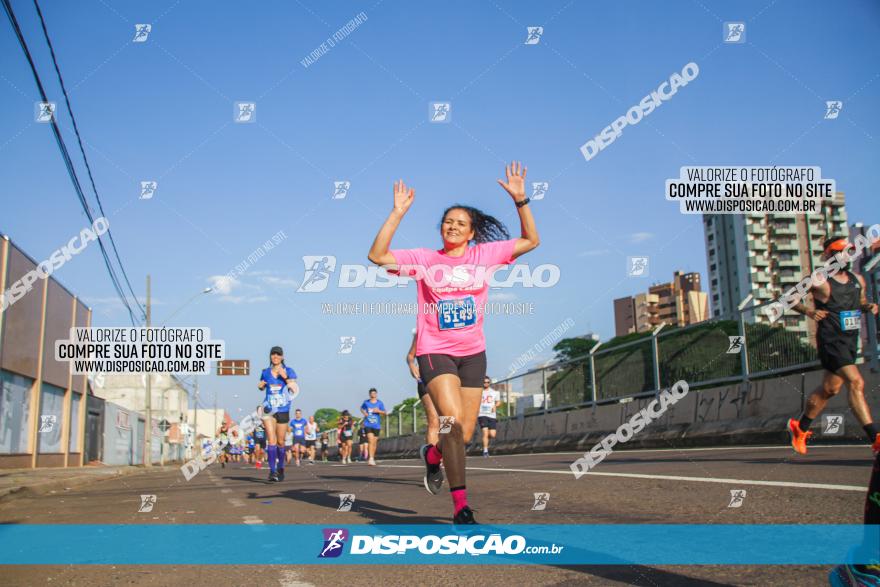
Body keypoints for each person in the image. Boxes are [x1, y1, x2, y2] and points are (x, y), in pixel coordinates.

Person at [367, 162, 540, 524]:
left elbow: (531, 241)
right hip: (435, 350)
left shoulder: (485, 255)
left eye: (461, 223)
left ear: (472, 232)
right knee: (450, 422)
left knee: (463, 431)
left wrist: (521, 200)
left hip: (473, 353)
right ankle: (461, 506)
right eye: (448, 221)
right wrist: (396, 213)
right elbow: (378, 256)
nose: (453, 226)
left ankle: (433, 455)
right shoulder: (425, 260)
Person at [788, 237, 880, 455]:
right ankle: (875, 437)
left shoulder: (857, 279)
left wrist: (868, 307)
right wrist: (809, 311)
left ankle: (800, 427)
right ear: (829, 256)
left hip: (850, 341)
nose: (845, 256)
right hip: (830, 341)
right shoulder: (819, 280)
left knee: (830, 389)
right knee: (856, 382)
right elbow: (790, 298)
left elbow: (860, 302)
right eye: (840, 252)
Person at [258, 346, 299, 482]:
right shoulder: (265, 372)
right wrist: (261, 386)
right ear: (270, 356)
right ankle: (272, 471)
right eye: (273, 354)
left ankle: (280, 467)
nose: (275, 356)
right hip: (269, 409)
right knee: (271, 440)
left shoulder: (289, 371)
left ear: (282, 357)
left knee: (281, 442)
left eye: (278, 354)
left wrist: (285, 377)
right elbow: (262, 385)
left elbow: (294, 389)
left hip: (283, 409)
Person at [408, 330, 440, 447]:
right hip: (426, 380)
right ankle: (433, 461)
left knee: (447, 420)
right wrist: (411, 365)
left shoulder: (449, 328)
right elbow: (410, 355)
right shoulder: (422, 332)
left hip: (446, 381)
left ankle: (445, 452)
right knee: (434, 421)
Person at [360, 388, 386, 466]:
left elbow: (385, 412)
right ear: (369, 394)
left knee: (374, 443)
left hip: (376, 425)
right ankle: (370, 458)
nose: (373, 395)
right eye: (372, 393)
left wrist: (378, 411)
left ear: (376, 394)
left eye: (374, 393)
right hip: (368, 424)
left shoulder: (380, 403)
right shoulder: (366, 402)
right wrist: (365, 413)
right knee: (370, 440)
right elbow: (361, 408)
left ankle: (372, 457)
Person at [478, 376, 501, 457]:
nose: (486, 384)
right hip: (481, 414)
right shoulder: (479, 392)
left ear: (490, 383)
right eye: (484, 382)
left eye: (488, 382)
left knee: (492, 435)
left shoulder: (495, 392)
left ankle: (485, 438)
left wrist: (495, 406)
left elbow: (498, 402)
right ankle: (485, 451)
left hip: (491, 415)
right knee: (484, 432)